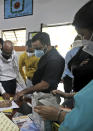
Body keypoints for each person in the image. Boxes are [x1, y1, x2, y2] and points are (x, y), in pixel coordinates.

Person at [34, 1, 93, 130]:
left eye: (83, 34)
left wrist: (59, 115)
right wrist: (68, 95)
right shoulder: (45, 57)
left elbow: (85, 120)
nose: (83, 40)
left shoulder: (54, 59)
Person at [14, 32, 65, 100]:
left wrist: (24, 91)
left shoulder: (54, 60)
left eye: (38, 48)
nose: (35, 51)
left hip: (47, 96)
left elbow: (44, 85)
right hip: (39, 93)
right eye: (34, 49)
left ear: (46, 45)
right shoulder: (45, 55)